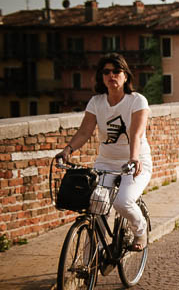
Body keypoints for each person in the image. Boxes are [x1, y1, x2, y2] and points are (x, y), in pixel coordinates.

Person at [56, 53, 152, 251]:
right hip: (106, 162)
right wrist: (67, 149)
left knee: (122, 202)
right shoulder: (96, 102)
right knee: (95, 204)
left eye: (117, 71)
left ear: (126, 76)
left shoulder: (137, 101)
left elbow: (136, 133)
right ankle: (93, 257)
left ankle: (141, 232)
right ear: (101, 77)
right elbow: (84, 132)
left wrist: (134, 158)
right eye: (106, 72)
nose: (112, 75)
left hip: (135, 161)